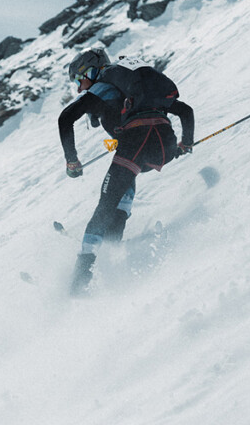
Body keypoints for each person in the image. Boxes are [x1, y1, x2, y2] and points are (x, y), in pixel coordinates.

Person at [58, 48, 195, 295]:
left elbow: (65, 119)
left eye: (80, 80)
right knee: (121, 189)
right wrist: (186, 142)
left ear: (92, 70)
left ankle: (78, 282)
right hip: (163, 146)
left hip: (137, 143)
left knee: (106, 202)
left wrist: (72, 161)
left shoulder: (104, 86)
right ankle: (112, 243)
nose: (79, 88)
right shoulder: (134, 89)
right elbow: (186, 111)